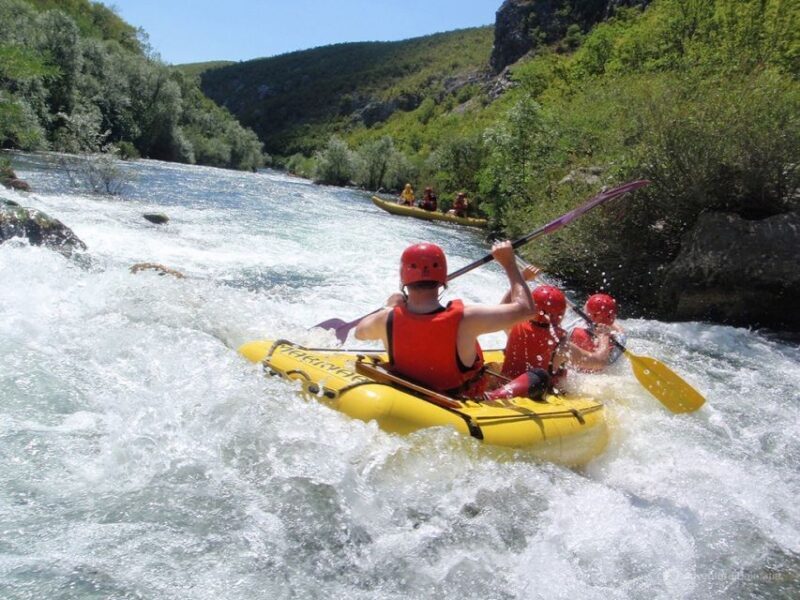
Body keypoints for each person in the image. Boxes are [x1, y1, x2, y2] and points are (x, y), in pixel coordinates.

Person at [354, 241, 535, 398]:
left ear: (403, 279)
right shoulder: (467, 318)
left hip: (404, 392)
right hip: (458, 400)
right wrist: (510, 264)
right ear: (443, 280)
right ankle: (496, 395)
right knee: (538, 377)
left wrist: (390, 307)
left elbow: (359, 333)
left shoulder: (385, 318)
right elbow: (526, 310)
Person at [568, 293, 626, 372]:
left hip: (575, 374)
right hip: (603, 375)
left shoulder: (573, 330)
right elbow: (622, 332)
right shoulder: (617, 339)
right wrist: (607, 320)